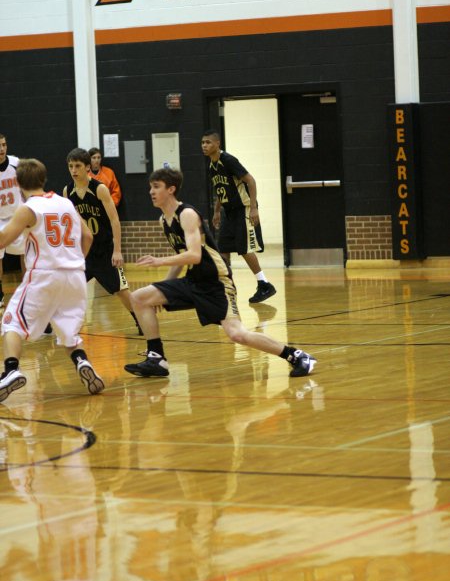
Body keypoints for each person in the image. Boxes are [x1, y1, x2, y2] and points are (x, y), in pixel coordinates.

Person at [123, 168, 316, 378]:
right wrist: (163, 290)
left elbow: (194, 255)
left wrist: (159, 261)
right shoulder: (164, 220)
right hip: (193, 281)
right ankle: (156, 359)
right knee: (140, 298)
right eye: (151, 187)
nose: (151, 191)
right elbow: (181, 257)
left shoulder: (186, 214)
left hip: (216, 282)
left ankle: (296, 356)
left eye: (156, 187)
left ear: (171, 189)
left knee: (237, 334)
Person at [0, 158, 104, 402]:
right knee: (68, 330)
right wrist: (75, 262)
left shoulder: (29, 208)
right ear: (43, 179)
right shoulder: (65, 202)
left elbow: (3, 240)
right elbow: (87, 236)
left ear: (18, 183)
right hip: (76, 275)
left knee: (11, 322)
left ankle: (11, 370)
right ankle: (82, 362)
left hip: (45, 275)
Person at [63, 148, 142, 334]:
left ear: (87, 167)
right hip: (86, 252)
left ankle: (141, 319)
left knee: (121, 291)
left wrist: (117, 250)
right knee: (68, 288)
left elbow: (114, 220)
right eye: (70, 166)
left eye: (78, 166)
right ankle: (63, 324)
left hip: (106, 250)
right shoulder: (68, 191)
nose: (74, 170)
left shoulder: (100, 189)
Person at [202, 129, 276, 304]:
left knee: (244, 249)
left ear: (217, 144)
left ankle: (264, 284)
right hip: (228, 212)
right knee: (224, 249)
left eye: (208, 142)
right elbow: (220, 189)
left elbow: (250, 180)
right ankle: (227, 287)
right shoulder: (211, 165)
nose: (204, 145)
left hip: (243, 209)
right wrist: (217, 211)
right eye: (203, 142)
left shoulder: (228, 160)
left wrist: (253, 207)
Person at [0, 133, 26, 308]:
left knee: (26, 254)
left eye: (4, 145)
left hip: (17, 216)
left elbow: (28, 186)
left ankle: (28, 290)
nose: (2, 149)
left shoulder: (17, 164)